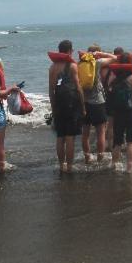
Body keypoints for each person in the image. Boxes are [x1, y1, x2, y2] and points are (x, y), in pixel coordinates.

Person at [48, 40, 85, 173]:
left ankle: (61, 165)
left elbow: (51, 90)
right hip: (72, 105)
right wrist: (83, 106)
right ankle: (69, 166)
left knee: (60, 137)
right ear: (70, 51)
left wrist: (53, 108)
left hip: (58, 105)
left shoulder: (52, 67)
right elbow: (78, 88)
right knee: (70, 137)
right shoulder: (72, 66)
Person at [81, 45, 116, 164]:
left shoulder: (79, 64)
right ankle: (100, 158)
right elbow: (115, 58)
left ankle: (87, 157)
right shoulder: (98, 62)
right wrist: (102, 54)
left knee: (85, 133)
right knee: (101, 132)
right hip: (98, 102)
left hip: (84, 102)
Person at [107, 53, 132, 172]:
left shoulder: (114, 78)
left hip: (118, 113)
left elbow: (109, 91)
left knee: (117, 141)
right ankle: (129, 167)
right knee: (131, 141)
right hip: (131, 112)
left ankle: (113, 165)